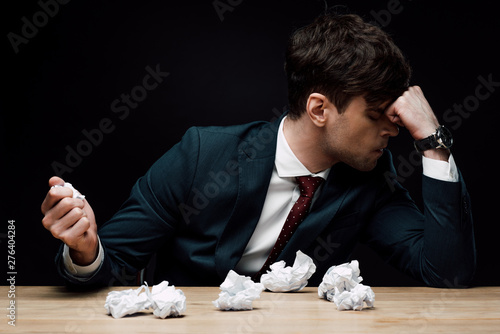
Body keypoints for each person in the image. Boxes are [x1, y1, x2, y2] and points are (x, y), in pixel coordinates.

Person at [41, 13, 475, 288]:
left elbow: (446, 272)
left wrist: (434, 143)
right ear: (319, 108)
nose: (393, 130)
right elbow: (111, 261)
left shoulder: (369, 180)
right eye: (378, 114)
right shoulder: (202, 155)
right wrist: (84, 249)